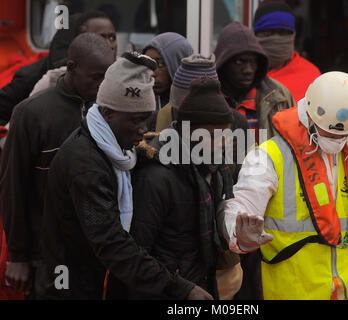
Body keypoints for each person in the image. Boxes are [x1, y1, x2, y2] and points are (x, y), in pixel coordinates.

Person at [219, 71, 348, 300]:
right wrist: (239, 234)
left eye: (343, 136)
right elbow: (240, 204)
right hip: (297, 288)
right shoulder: (268, 157)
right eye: (328, 132)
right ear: (308, 115)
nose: (336, 140)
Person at [34, 52, 211, 300]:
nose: (143, 129)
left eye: (147, 119)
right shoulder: (86, 165)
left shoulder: (118, 150)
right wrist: (179, 288)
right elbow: (111, 242)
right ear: (107, 113)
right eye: (136, 120)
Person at [0, 33, 115, 297]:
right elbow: (12, 187)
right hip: (48, 257)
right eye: (95, 77)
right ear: (71, 68)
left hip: (98, 253)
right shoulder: (31, 114)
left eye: (106, 78)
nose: (101, 86)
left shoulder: (108, 110)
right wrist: (18, 256)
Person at [131, 77, 236, 300]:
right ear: (190, 132)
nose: (224, 143)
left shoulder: (213, 169)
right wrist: (180, 288)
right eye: (215, 136)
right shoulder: (156, 177)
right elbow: (137, 254)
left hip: (201, 287)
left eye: (226, 134)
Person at [0, 10, 118, 126]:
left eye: (112, 37)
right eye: (101, 38)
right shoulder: (38, 78)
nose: (109, 44)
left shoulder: (120, 74)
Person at [214, 21, 295, 143]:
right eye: (239, 62)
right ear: (223, 63)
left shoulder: (280, 96)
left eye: (253, 62)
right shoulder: (207, 100)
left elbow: (297, 144)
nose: (248, 70)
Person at [253, 0, 321, 102]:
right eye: (268, 33)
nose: (276, 39)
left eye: (282, 33)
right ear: (255, 35)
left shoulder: (311, 76)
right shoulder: (244, 73)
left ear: (293, 36)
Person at [142, 32, 194, 110]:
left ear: (178, 64)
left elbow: (186, 122)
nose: (152, 74)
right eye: (148, 65)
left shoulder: (194, 108)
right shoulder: (141, 107)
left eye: (160, 64)